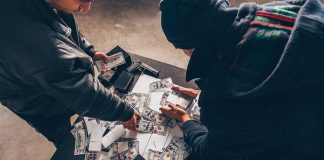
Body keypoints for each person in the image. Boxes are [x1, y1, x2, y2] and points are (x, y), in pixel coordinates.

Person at [159, 0, 324, 159]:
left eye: (181, 48)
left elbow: (212, 152)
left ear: (188, 46)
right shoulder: (285, 12)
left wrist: (186, 120)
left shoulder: (223, 103)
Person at [0, 0, 140, 147]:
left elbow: (63, 26)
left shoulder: (54, 3)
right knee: (67, 141)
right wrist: (124, 112)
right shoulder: (40, 47)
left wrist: (87, 51)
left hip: (44, 76)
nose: (87, 8)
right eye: (82, 0)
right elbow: (83, 92)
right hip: (34, 102)